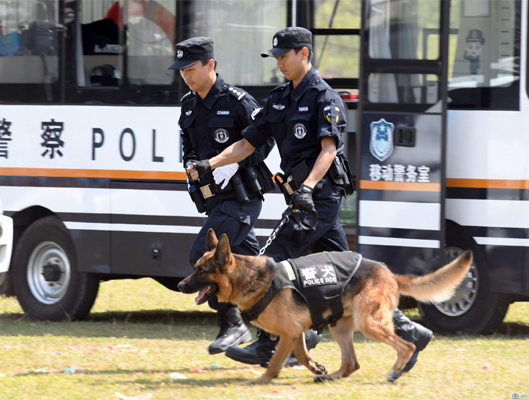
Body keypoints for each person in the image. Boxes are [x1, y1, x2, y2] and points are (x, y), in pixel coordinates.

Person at [188, 27, 433, 373]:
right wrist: (209, 163)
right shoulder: (278, 98)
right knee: (351, 275)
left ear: (304, 54)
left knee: (268, 264)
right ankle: (411, 333)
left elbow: (328, 150)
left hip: (319, 197)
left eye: (284, 57)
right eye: (276, 59)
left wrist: (307, 188)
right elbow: (247, 144)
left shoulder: (324, 98)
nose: (279, 65)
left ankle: (272, 344)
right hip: (304, 199)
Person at [169, 37, 275, 355]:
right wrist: (190, 164)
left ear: (210, 65)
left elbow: (265, 142)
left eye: (191, 68)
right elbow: (188, 143)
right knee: (257, 271)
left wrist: (237, 161)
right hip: (214, 198)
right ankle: (278, 330)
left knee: (203, 255)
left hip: (242, 197)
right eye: (181, 70)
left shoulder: (238, 101)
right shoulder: (189, 104)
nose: (185, 75)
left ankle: (232, 323)